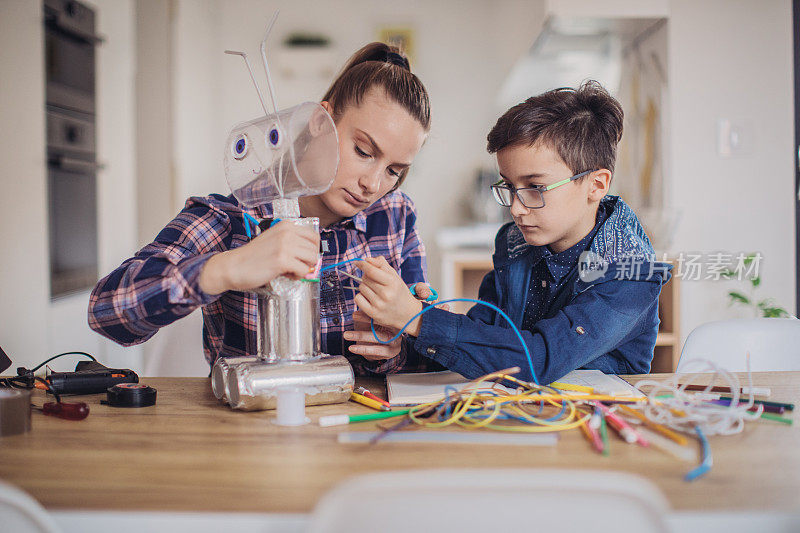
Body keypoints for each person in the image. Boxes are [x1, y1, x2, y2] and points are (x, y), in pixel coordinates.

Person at [88, 42, 436, 375]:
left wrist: (396, 346)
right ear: (320, 122)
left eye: (394, 171)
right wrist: (225, 268)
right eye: (363, 150)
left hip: (361, 430)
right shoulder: (233, 219)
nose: (373, 185)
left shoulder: (394, 216)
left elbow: (425, 356)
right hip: (253, 432)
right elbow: (106, 312)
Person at [353, 80, 671, 385]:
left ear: (596, 185)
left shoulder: (631, 272)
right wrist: (406, 334)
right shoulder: (516, 244)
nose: (516, 208)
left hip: (602, 424)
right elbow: (488, 342)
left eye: (535, 187)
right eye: (509, 186)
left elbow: (541, 358)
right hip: (525, 416)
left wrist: (418, 320)